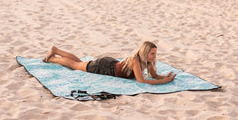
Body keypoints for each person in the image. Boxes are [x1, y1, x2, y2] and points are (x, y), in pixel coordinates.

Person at [43, 41, 176, 85]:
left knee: (80, 63)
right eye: (152, 53)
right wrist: (163, 82)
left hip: (111, 63)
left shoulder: (147, 62)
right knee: (75, 66)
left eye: (155, 53)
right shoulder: (135, 60)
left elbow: (155, 76)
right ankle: (52, 58)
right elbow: (141, 81)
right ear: (145, 53)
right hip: (105, 67)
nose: (154, 56)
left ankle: (56, 50)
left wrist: (166, 77)